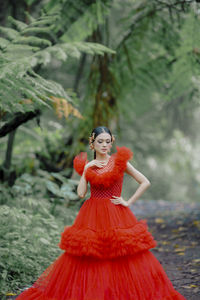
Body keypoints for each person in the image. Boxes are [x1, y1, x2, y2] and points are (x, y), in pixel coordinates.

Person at [16, 126, 187, 299]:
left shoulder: (119, 161)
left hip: (116, 213)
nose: (104, 145)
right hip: (92, 214)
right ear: (92, 143)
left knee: (120, 253)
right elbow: (81, 193)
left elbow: (145, 182)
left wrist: (127, 201)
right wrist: (87, 168)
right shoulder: (88, 166)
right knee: (90, 254)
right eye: (100, 141)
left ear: (111, 142)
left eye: (107, 141)